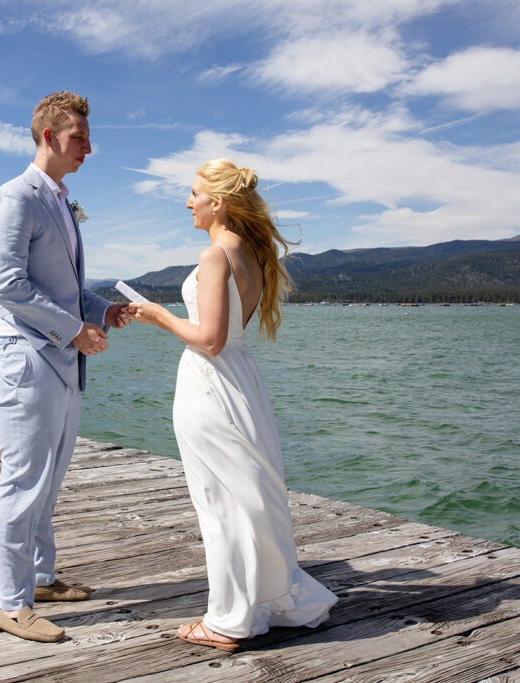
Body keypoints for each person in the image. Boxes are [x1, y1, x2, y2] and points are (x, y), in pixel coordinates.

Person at [126, 159, 338, 651]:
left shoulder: (215, 256)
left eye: (193, 193)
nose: (187, 202)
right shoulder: (250, 253)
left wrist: (158, 315)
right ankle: (264, 600)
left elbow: (210, 339)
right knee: (249, 496)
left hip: (211, 384)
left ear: (217, 202)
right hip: (242, 383)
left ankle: (228, 619)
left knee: (220, 501)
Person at [0, 91, 129, 643]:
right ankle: (9, 603)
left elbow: (61, 287)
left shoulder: (59, 201)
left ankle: (39, 578)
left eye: (88, 139)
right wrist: (72, 329)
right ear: (48, 136)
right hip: (29, 359)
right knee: (22, 482)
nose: (88, 148)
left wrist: (102, 311)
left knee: (49, 480)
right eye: (79, 138)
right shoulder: (13, 198)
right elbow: (5, 286)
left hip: (60, 361)